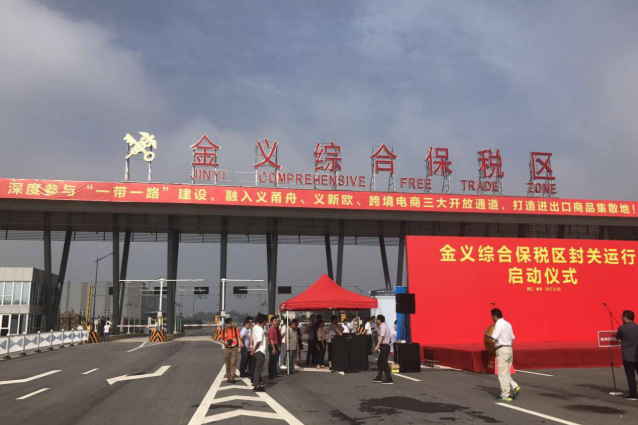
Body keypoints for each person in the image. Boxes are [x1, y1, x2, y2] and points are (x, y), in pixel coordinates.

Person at [485, 308, 521, 402]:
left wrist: (488, 335)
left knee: (502, 374)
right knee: (506, 372)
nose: (492, 319)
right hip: (509, 349)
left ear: (495, 316)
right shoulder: (508, 324)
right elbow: (513, 337)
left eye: (492, 317)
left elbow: (495, 336)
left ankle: (505, 395)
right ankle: (514, 386)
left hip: (502, 349)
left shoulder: (498, 324)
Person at [616, 310, 638, 400]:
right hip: (637, 355)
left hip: (628, 356)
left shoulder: (622, 328)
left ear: (625, 317)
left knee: (630, 376)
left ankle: (633, 394)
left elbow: (618, 338)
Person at [372, 315, 393, 384]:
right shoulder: (383, 326)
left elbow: (381, 337)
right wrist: (377, 327)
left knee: (384, 363)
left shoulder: (383, 326)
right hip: (384, 346)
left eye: (376, 320)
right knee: (379, 362)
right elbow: (380, 334)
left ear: (379, 320)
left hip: (385, 346)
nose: (376, 321)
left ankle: (389, 379)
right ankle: (379, 377)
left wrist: (377, 346)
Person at [251, 314, 267, 392]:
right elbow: (259, 341)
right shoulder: (260, 329)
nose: (266, 322)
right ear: (263, 321)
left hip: (257, 352)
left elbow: (252, 338)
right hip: (260, 351)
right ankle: (257, 386)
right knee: (258, 369)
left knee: (256, 369)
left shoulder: (254, 328)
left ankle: (256, 383)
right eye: (265, 321)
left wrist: (253, 349)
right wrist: (254, 349)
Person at [267, 316, 282, 381]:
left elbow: (276, 340)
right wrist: (273, 348)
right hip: (272, 346)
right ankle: (271, 375)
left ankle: (273, 374)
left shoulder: (275, 329)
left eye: (276, 321)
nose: (276, 322)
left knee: (275, 361)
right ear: (271, 322)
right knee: (272, 361)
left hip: (275, 345)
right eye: (275, 321)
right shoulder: (271, 329)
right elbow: (271, 340)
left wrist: (278, 347)